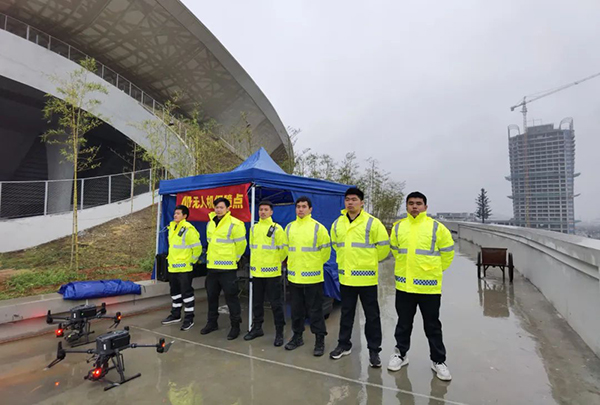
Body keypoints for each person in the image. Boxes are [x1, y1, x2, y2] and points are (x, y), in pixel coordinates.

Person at [388, 191, 455, 381]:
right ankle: (400, 354)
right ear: (406, 206)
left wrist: (433, 270)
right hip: (404, 287)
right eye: (411, 203)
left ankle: (438, 360)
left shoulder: (436, 228)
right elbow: (395, 250)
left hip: (429, 288)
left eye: (418, 203)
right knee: (403, 323)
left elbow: (448, 253)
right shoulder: (398, 227)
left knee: (432, 326)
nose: (414, 206)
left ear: (425, 207)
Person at [329, 187, 390, 368]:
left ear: (362, 202)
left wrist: (368, 262)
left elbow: (383, 248)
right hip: (346, 278)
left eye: (354, 199)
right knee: (346, 314)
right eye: (347, 199)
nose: (350, 202)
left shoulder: (372, 223)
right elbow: (336, 245)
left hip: (366, 279)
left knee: (372, 316)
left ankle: (374, 350)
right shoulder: (337, 223)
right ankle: (344, 344)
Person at [284, 196, 331, 356]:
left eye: (304, 206)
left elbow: (325, 252)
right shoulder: (289, 227)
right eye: (298, 206)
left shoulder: (318, 228)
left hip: (313, 278)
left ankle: (319, 340)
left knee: (315, 311)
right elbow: (286, 250)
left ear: (310, 209)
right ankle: (297, 337)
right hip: (294, 278)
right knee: (296, 311)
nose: (301, 209)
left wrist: (312, 266)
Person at [201, 197, 247, 340]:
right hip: (212, 268)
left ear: (228, 208)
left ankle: (235, 326)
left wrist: (234, 259)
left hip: (227, 269)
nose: (218, 210)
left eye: (221, 207)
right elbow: (210, 243)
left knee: (231, 298)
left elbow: (241, 245)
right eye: (216, 207)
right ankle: (212, 323)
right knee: (211, 297)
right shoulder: (210, 223)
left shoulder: (235, 224)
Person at [244, 200, 288, 346]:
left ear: (271, 212)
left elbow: (284, 250)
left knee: (276, 304)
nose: (262, 212)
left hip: (272, 274)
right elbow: (252, 248)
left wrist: (275, 262)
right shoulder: (254, 228)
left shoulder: (277, 229)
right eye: (261, 209)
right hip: (257, 273)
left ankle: (279, 332)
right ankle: (257, 328)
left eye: (266, 210)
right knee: (257, 303)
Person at [161, 205, 202, 331]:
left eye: (178, 213)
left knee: (187, 294)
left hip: (184, 268)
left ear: (185, 216)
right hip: (173, 267)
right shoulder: (172, 227)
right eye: (175, 213)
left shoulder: (189, 229)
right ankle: (176, 314)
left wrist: (191, 261)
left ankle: (189, 318)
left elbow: (197, 248)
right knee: (175, 293)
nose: (175, 215)